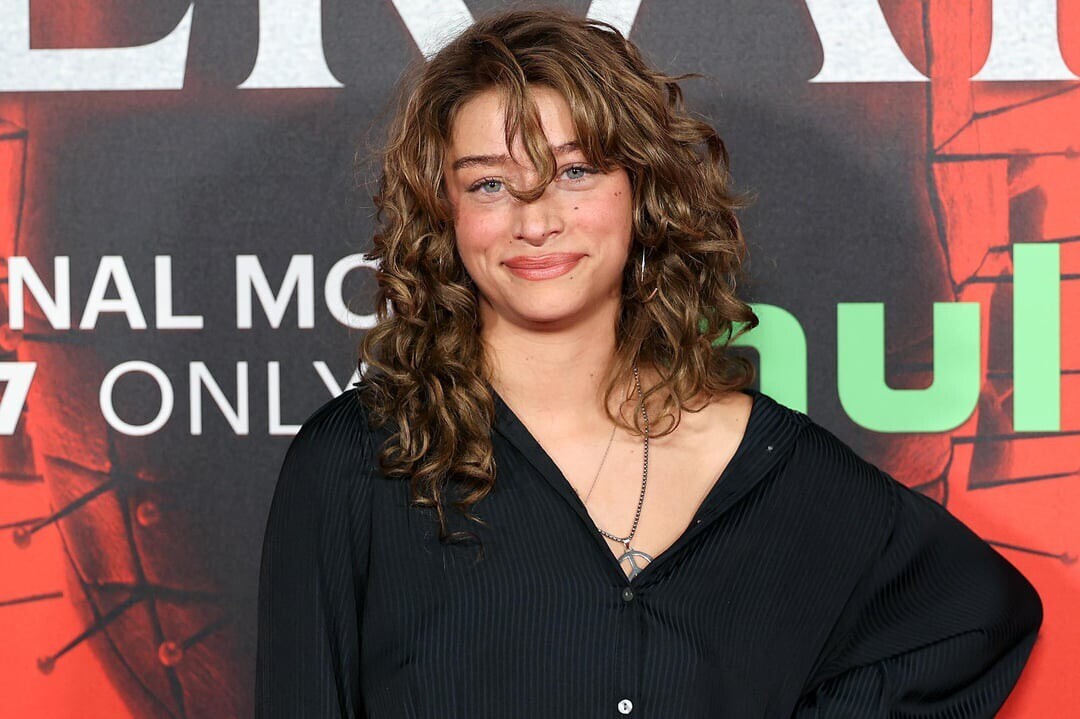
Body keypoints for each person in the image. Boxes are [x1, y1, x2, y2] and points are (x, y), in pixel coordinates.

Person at [254, 6, 1042, 717]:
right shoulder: (357, 463)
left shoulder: (769, 469)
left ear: (642, 189)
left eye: (575, 171)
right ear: (444, 213)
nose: (537, 220)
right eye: (490, 183)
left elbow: (974, 617)